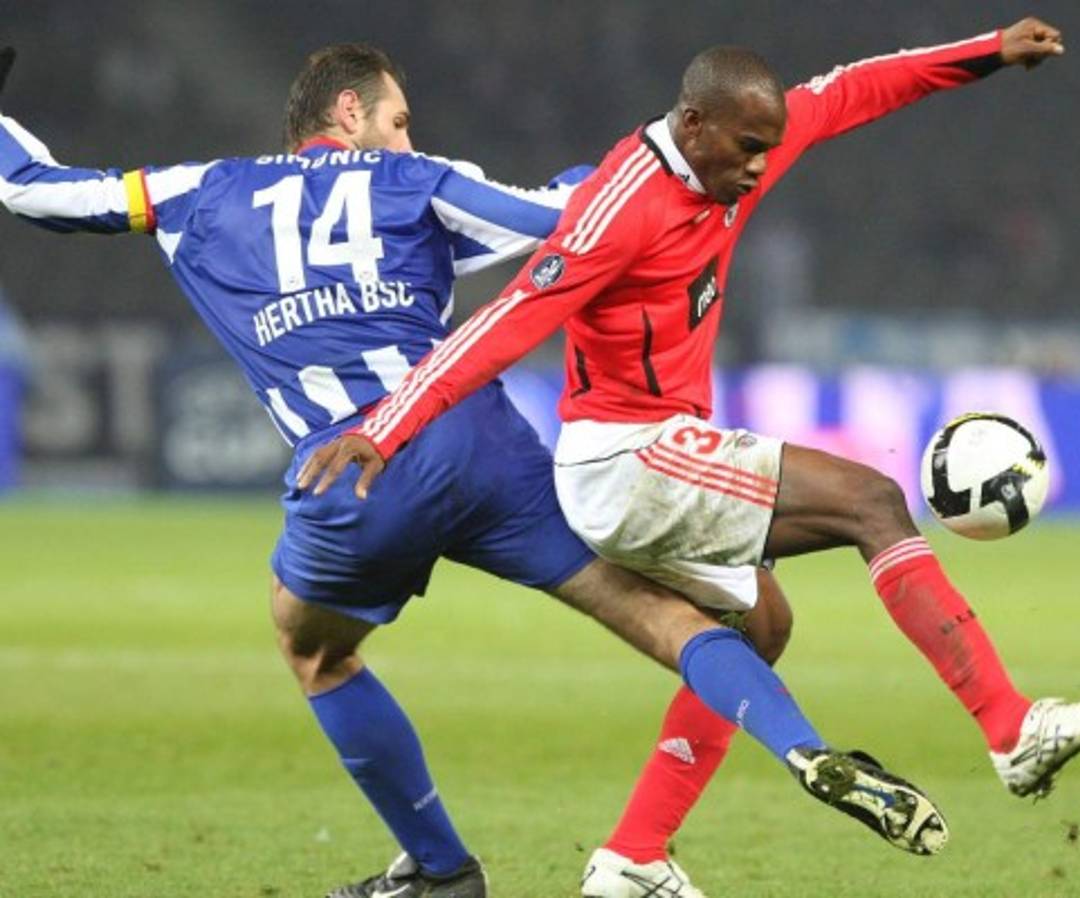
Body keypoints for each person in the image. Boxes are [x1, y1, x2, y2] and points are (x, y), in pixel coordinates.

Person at [0, 43, 952, 898]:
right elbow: (566, 215)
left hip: (352, 476)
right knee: (663, 616)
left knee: (313, 645)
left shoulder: (195, 191)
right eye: (399, 118)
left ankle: (443, 874)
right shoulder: (415, 181)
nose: (410, 135)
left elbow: (34, 191)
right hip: (478, 442)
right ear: (348, 116)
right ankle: (806, 750)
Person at [298, 18, 1080, 898]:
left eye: (768, 150)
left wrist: (987, 52)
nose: (756, 170)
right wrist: (386, 427)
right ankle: (1010, 730)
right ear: (692, 124)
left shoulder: (745, 143)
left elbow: (853, 89)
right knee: (871, 501)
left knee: (760, 628)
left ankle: (634, 857)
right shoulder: (618, 207)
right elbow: (502, 324)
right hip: (623, 458)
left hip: (664, 446)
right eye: (743, 150)